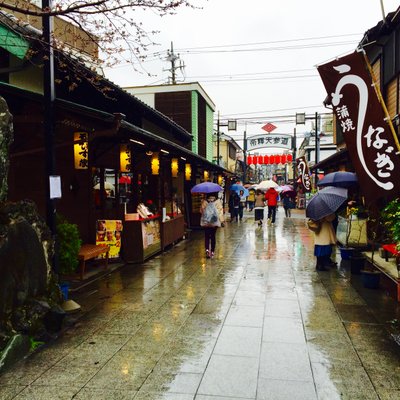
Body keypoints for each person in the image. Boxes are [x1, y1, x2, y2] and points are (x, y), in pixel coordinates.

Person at [200, 192, 224, 258]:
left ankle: (207, 250)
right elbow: (220, 212)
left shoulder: (205, 202)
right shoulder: (218, 202)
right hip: (214, 222)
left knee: (207, 236)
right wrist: (221, 221)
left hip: (206, 222)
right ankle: (212, 251)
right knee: (213, 236)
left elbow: (201, 211)